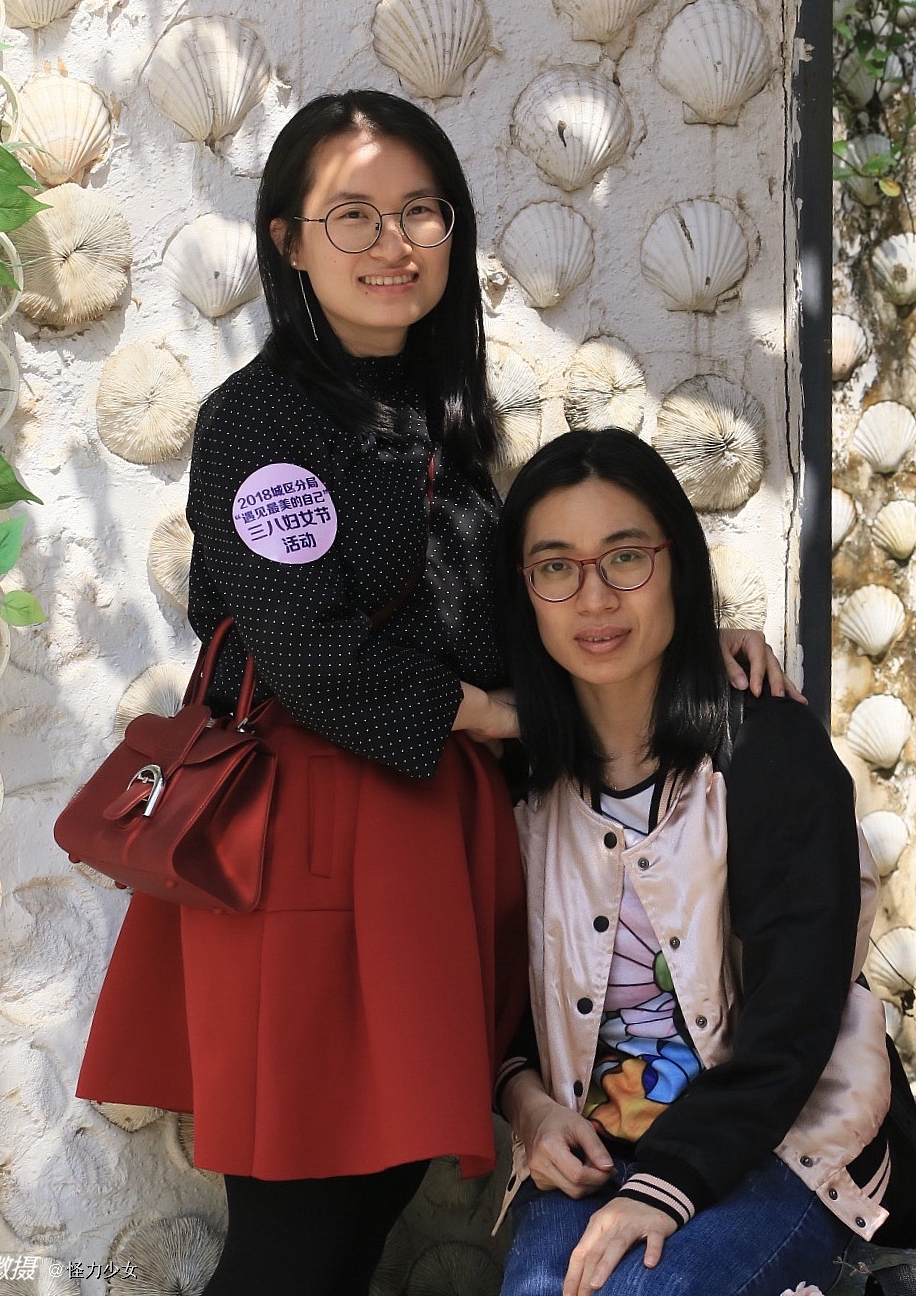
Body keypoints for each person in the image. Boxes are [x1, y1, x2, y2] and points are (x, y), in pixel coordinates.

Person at [74, 92, 796, 1296]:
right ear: (286, 241)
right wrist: (512, 715)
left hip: (420, 840)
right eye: (351, 214)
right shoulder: (261, 417)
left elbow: (512, 610)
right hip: (312, 846)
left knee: (368, 1201)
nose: (392, 241)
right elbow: (309, 651)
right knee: (299, 1228)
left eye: (420, 211)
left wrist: (678, 641)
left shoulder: (436, 411)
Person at [494, 429, 916, 1296]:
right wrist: (531, 1110)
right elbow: (496, 1008)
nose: (595, 598)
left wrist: (666, 1189)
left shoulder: (769, 751)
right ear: (524, 590)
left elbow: (795, 1018)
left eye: (626, 557)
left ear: (677, 562)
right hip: (596, 1148)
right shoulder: (518, 783)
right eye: (556, 567)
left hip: (786, 1141)